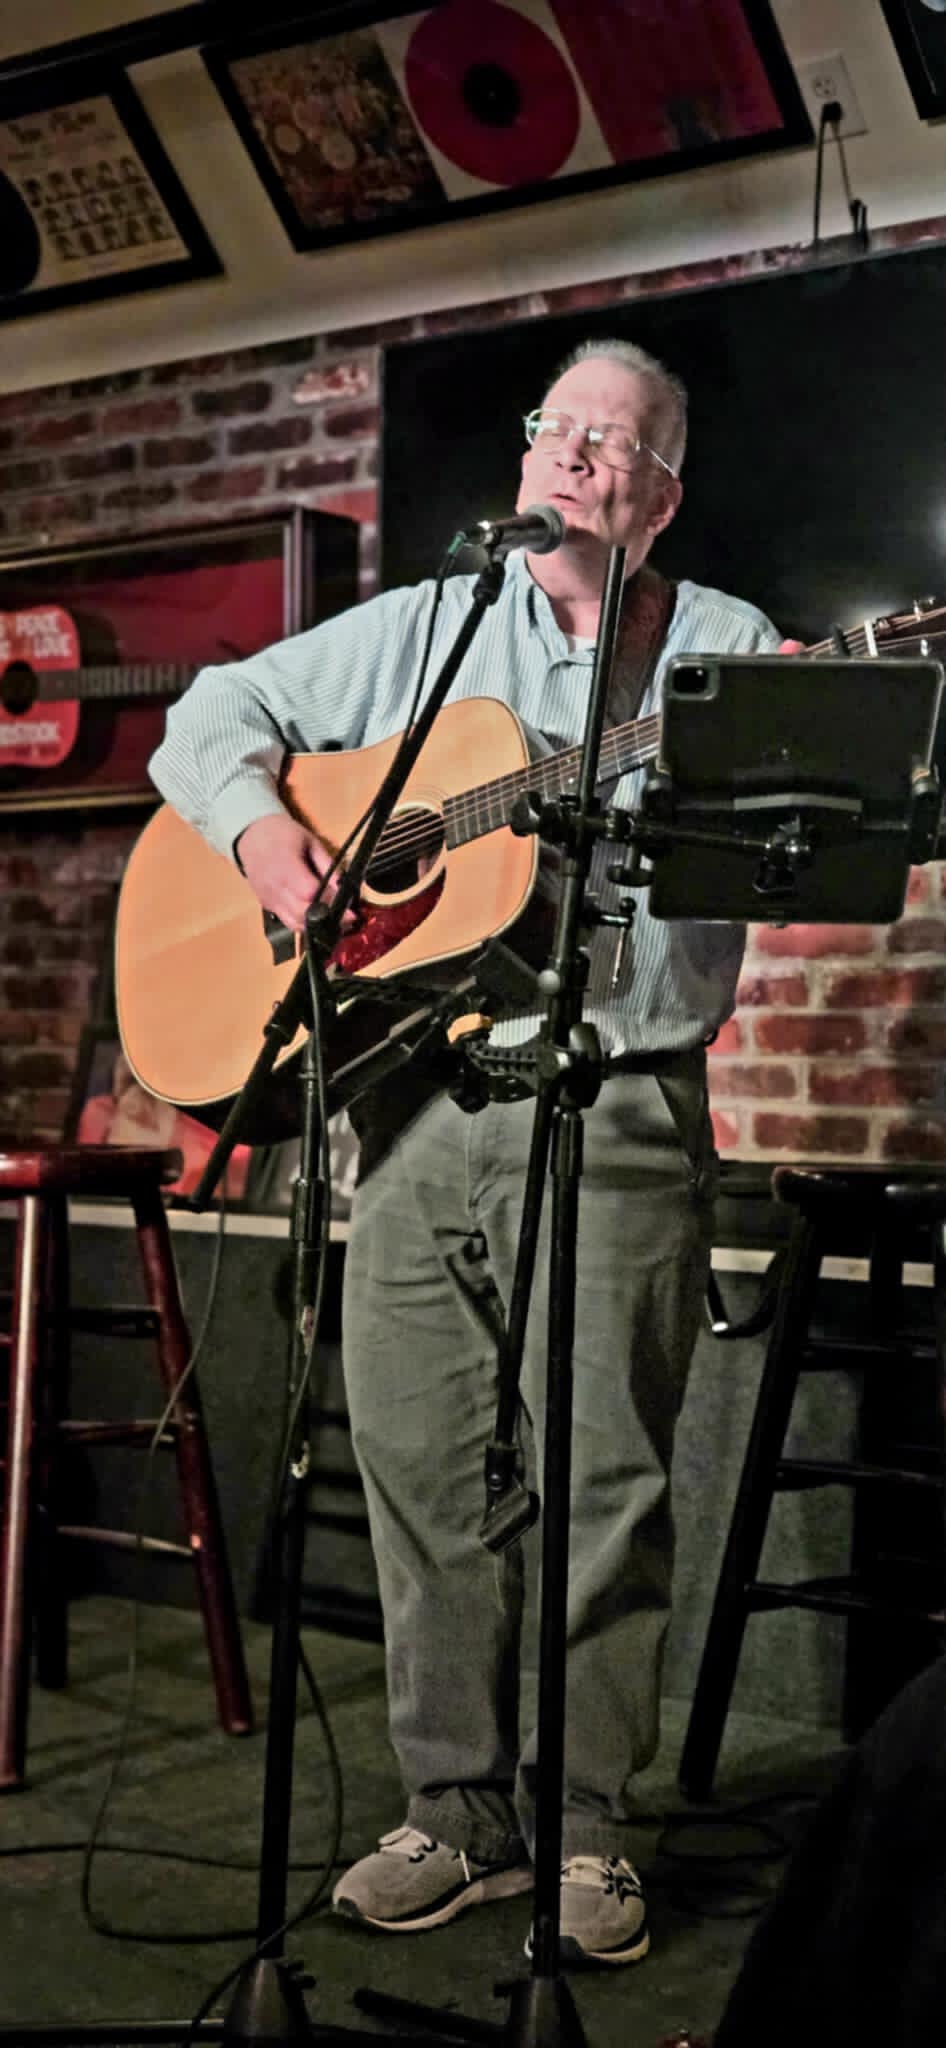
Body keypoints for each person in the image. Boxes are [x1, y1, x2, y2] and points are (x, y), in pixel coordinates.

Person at [149, 337, 783, 1967]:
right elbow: (215, 709)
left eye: (611, 439)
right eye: (553, 428)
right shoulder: (432, 629)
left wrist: (745, 801)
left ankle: (585, 1825)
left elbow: (803, 842)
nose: (572, 455)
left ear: (660, 493)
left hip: (615, 1093)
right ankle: (455, 1811)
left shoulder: (722, 648)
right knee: (420, 1465)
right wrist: (265, 835)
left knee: (602, 1481)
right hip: (415, 1099)